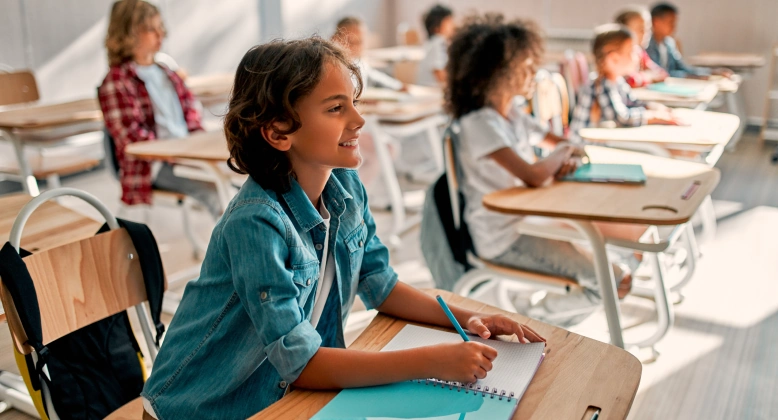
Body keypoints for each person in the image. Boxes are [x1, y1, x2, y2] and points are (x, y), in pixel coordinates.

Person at [139, 36, 545, 419]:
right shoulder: (255, 222)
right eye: (336, 108)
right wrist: (435, 361)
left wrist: (471, 319)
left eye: (353, 103)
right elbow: (302, 365)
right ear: (279, 131)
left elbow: (379, 283)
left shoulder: (345, 185)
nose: (359, 119)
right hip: (203, 407)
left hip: (280, 391)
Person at [445, 15, 642, 324]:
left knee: (619, 260)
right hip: (503, 238)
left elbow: (560, 143)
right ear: (496, 74)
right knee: (614, 279)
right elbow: (535, 174)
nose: (533, 73)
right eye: (525, 67)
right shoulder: (479, 124)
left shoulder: (512, 114)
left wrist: (563, 155)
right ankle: (534, 317)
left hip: (531, 221)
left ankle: (540, 315)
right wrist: (560, 155)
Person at [97, 0, 221, 218]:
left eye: (160, 27)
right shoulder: (116, 81)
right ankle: (233, 251)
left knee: (241, 180)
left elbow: (191, 114)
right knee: (217, 192)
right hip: (154, 166)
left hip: (186, 154)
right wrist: (177, 153)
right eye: (150, 29)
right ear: (128, 33)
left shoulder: (167, 72)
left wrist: (198, 148)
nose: (160, 34)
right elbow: (132, 139)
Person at [569, 24, 678, 140]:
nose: (637, 56)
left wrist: (654, 107)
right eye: (631, 51)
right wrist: (653, 117)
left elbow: (632, 102)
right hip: (583, 147)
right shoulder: (602, 84)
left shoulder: (617, 81)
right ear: (613, 59)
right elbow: (621, 118)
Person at [646, 2, 732, 78]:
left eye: (675, 22)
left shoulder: (668, 43)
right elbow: (659, 73)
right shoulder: (646, 44)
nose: (674, 27)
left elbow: (682, 67)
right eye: (670, 22)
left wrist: (710, 72)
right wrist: (690, 76)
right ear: (656, 22)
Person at [614, 7, 668, 88]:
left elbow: (661, 73)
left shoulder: (639, 52)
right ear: (623, 31)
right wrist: (649, 77)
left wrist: (643, 77)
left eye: (648, 29)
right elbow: (629, 80)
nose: (646, 34)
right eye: (641, 29)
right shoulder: (618, 54)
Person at [416, 4, 455, 87]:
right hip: (431, 89)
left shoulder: (432, 41)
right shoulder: (438, 42)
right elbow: (440, 75)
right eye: (448, 21)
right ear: (436, 26)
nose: (453, 24)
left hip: (427, 87)